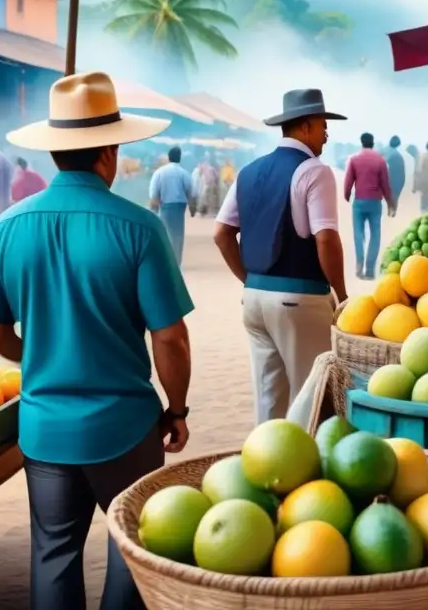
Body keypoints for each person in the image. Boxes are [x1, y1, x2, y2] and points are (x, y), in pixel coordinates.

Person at [0, 72, 193, 610]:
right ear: (110, 152)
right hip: (125, 424)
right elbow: (170, 338)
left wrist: (42, 355)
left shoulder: (6, 227)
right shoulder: (139, 227)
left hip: (44, 424)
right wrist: (177, 407)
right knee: (132, 548)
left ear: (55, 152)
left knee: (52, 552)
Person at [213, 89, 348, 423]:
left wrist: (250, 280)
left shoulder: (248, 171)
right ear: (304, 128)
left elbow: (222, 232)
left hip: (255, 300)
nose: (326, 134)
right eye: (321, 126)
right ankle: (305, 472)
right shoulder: (315, 171)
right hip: (299, 300)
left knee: (268, 397)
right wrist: (342, 295)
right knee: (311, 395)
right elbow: (327, 239)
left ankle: (265, 466)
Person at [343, 132, 392, 280]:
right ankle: (370, 269)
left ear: (362, 142)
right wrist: (391, 202)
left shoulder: (354, 159)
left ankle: (359, 263)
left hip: (359, 202)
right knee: (375, 235)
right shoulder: (380, 161)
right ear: (373, 143)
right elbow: (385, 185)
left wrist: (346, 195)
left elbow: (348, 181)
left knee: (358, 233)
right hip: (375, 203)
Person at [149, 146, 196, 266]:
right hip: (179, 208)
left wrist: (153, 209)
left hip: (164, 207)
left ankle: (166, 260)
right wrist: (192, 208)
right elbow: (192, 192)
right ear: (179, 158)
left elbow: (154, 193)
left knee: (164, 233)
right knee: (178, 235)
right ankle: (176, 262)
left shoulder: (159, 172)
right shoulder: (184, 173)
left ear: (168, 157)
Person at [413, 141, 428, 214]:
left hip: (424, 181)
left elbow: (419, 170)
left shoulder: (423, 155)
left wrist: (416, 184)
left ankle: (423, 212)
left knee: (424, 198)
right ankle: (426, 212)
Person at [383, 135, 406, 216]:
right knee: (394, 197)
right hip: (396, 180)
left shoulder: (383, 151)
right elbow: (401, 172)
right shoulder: (398, 155)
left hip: (386, 180)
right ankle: (392, 212)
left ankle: (389, 212)